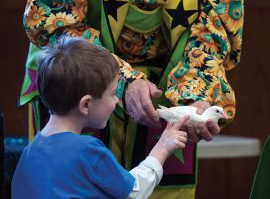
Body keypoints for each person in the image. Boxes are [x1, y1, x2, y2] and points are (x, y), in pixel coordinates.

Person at [19, 0, 245, 197]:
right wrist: (119, 81)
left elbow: (214, 32)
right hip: (79, 80)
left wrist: (194, 100)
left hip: (168, 85)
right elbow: (55, 20)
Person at [12, 36, 190, 199]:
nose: (115, 101)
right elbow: (134, 193)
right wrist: (163, 147)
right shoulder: (88, 151)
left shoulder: (29, 153)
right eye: (113, 94)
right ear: (86, 104)